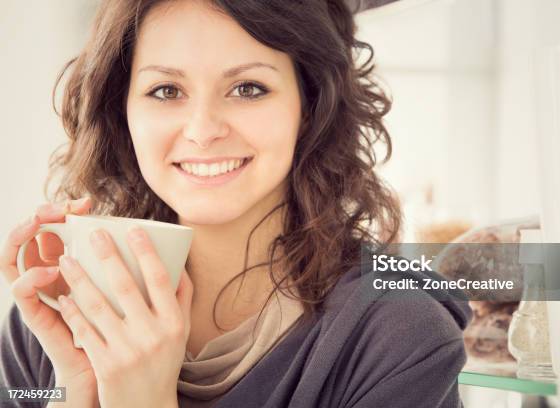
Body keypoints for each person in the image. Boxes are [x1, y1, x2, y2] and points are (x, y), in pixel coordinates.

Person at [0, 0, 472, 407]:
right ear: (123, 113)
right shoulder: (48, 326)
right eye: (166, 91)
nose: (203, 130)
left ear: (310, 108)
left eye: (248, 88)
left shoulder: (399, 338)